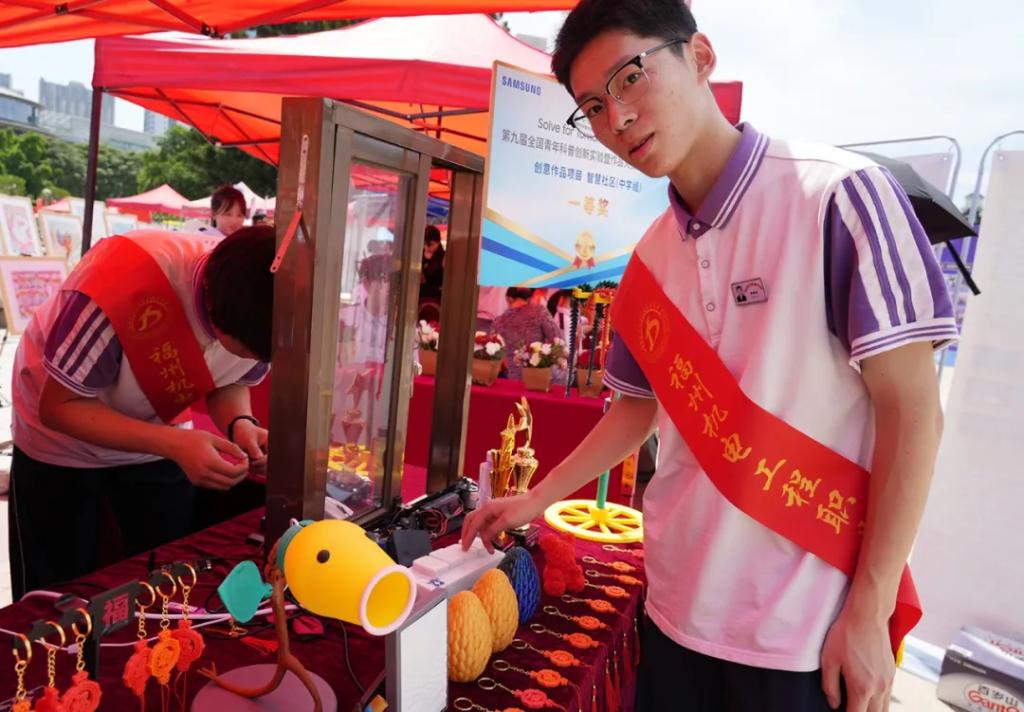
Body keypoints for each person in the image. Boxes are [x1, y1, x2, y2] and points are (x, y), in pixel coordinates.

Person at [462, 2, 958, 711]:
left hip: (805, 633)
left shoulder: (839, 197)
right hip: (674, 610)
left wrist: (871, 608)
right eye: (592, 107)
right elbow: (634, 413)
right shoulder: (647, 262)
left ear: (699, 56)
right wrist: (537, 498)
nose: (616, 119)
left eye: (630, 77)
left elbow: (914, 415)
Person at [9, 225, 275, 599]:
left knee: (161, 577)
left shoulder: (266, 304)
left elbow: (229, 379)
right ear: (211, 305)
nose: (250, 360)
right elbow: (58, 408)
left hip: (159, 432)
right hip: (60, 442)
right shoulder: (122, 286)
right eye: (244, 350)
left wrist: (240, 423)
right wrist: (174, 444)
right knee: (57, 591)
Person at [491, 286, 561, 380]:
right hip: (535, 375)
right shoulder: (540, 312)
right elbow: (558, 340)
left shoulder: (497, 322)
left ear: (508, 298)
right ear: (529, 298)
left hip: (507, 378)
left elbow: (493, 355)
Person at [419, 225, 445, 320]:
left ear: (438, 242)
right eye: (425, 244)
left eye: (430, 244)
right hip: (420, 298)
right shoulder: (419, 254)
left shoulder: (443, 256)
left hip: (436, 300)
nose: (427, 247)